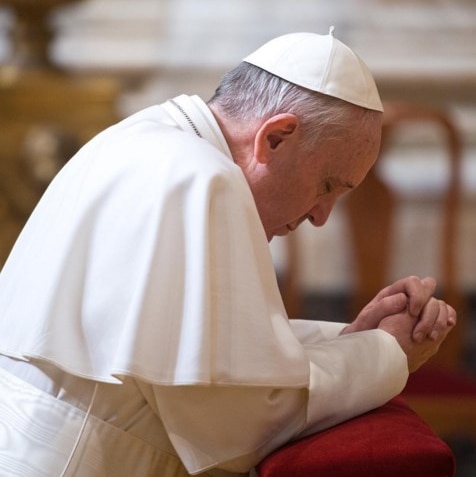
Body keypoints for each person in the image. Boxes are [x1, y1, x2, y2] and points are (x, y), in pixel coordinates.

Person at [0, 29, 455, 477]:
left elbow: (202, 348)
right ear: (276, 137)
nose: (320, 216)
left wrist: (350, 339)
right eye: (328, 186)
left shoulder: (148, 140)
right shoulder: (201, 180)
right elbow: (236, 426)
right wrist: (386, 353)